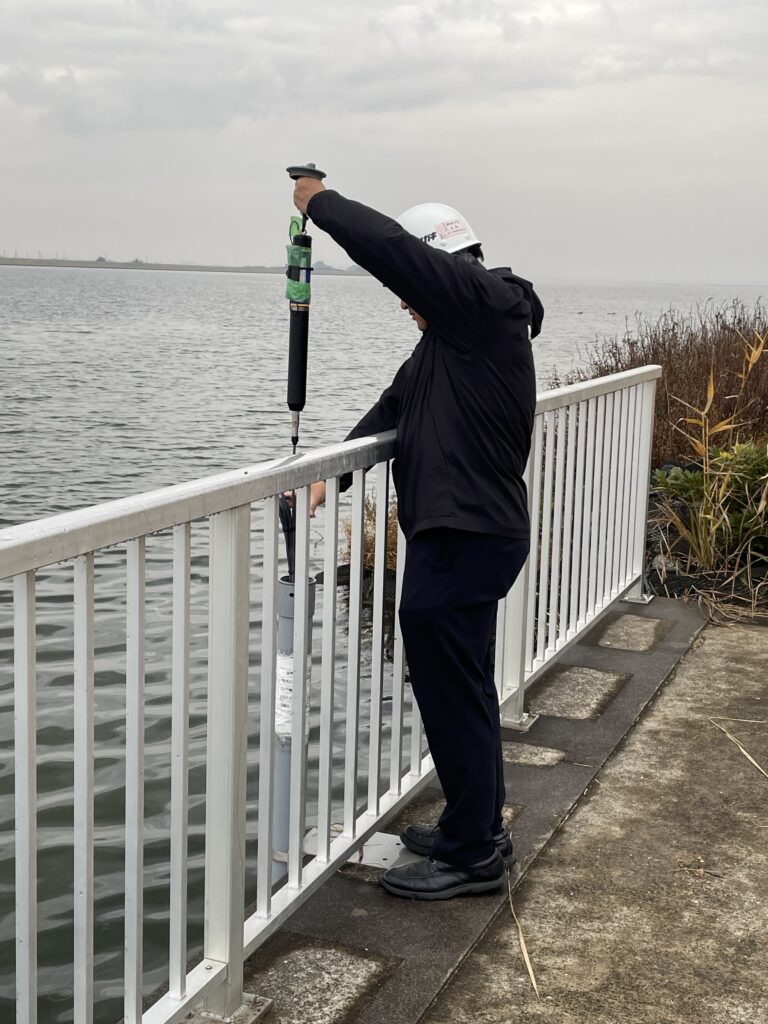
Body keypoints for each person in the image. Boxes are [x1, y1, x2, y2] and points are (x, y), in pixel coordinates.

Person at [292, 175, 543, 900]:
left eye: (412, 291)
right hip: (467, 533)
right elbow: (393, 406)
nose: (405, 303)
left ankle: (470, 856)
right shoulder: (451, 341)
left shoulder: (481, 306)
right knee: (466, 689)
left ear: (444, 265)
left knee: (454, 693)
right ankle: (478, 827)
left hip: (465, 536)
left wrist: (318, 203)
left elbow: (392, 250)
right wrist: (328, 477)